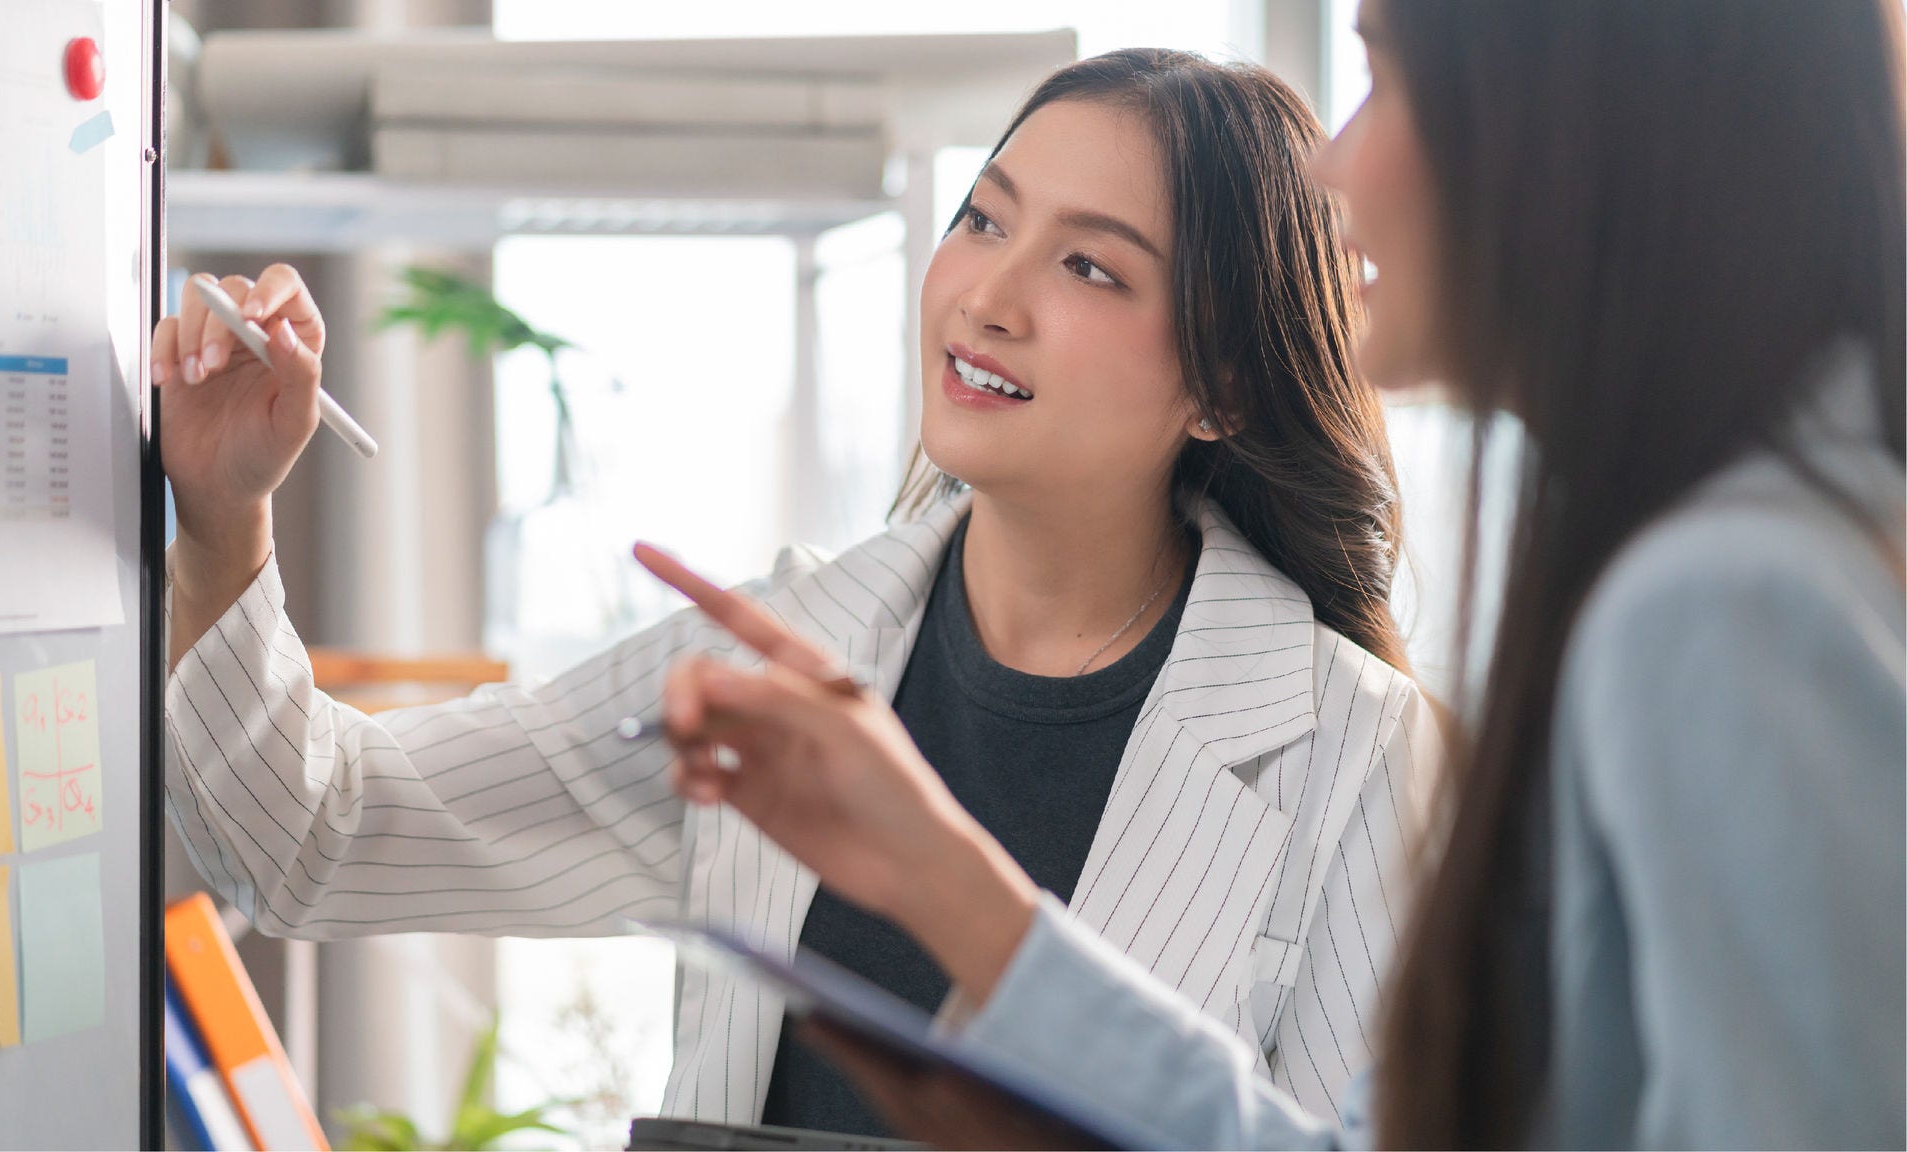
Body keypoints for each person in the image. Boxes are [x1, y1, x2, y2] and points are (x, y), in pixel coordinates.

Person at [648, 0, 1907, 1147]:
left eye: (1387, 80)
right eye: (984, 216)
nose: (1330, 164)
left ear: (1584, 127)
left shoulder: (1722, 606)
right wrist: (953, 895)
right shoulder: (1709, 566)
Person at [151, 50, 1438, 1133]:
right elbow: (315, 838)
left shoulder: (1361, 755)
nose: (986, 297)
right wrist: (225, 512)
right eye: (983, 220)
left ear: (1221, 384)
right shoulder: (784, 657)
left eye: (1088, 268)